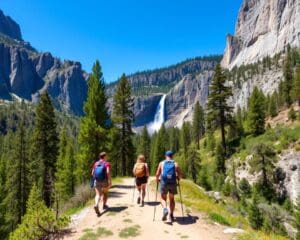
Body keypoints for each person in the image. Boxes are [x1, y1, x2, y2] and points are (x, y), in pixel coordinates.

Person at [156, 150, 182, 222]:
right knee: (172, 199)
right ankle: (171, 215)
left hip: (164, 183)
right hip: (173, 183)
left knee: (162, 198)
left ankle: (165, 209)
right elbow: (180, 174)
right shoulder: (175, 163)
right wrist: (178, 178)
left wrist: (157, 180)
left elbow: (157, 174)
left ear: (165, 156)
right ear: (172, 156)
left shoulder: (161, 163)